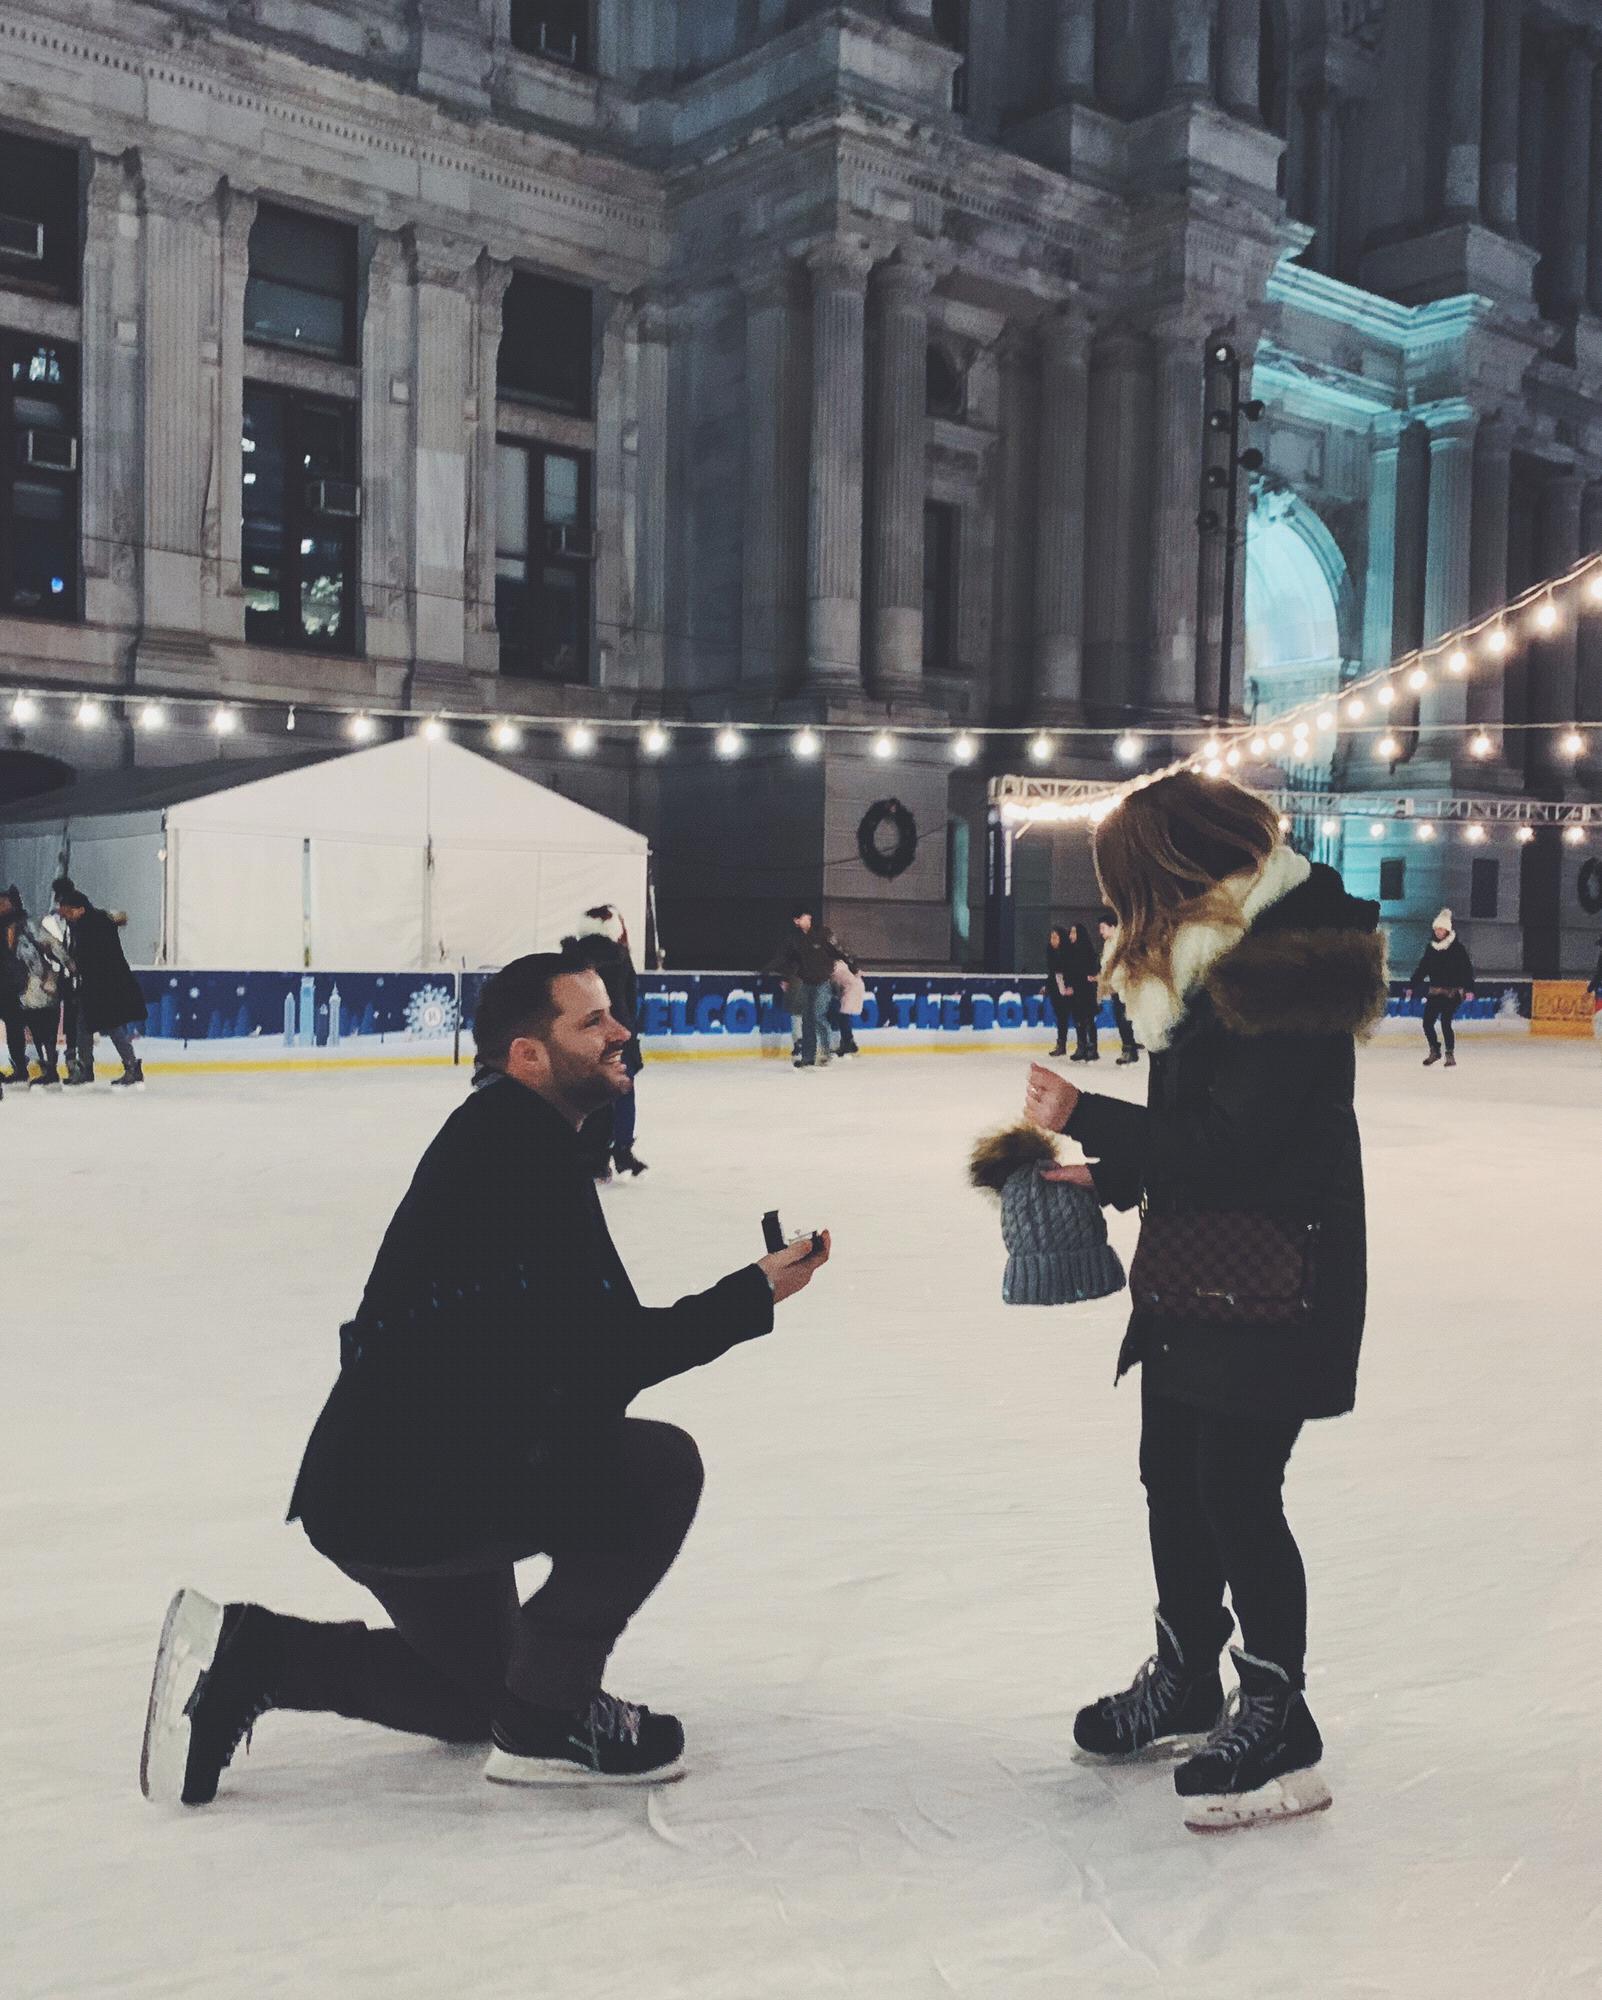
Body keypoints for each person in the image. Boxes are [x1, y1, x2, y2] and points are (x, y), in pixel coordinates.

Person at [140, 946, 832, 1808]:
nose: (622, 1031)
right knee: (660, 1468)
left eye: (613, 1012)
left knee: (480, 1698)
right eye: (593, 1021)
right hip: (413, 1486)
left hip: (387, 1479)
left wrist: (749, 1292)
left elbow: (572, 1357)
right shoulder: (520, 1151)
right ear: (527, 1055)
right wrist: (750, 1296)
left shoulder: (508, 1135)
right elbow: (609, 1361)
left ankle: (257, 1653)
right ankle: (551, 1721)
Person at [1022, 770, 1386, 1832]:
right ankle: (1187, 1676)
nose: (1124, 913)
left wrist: (1091, 1113)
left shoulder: (1288, 964)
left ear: (1177, 869)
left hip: (1282, 1269)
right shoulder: (1212, 961)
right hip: (1203, 1260)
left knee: (1234, 1479)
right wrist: (1118, 1171)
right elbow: (1210, 1136)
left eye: (1130, 887)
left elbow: (1242, 1145)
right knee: (1171, 1470)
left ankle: (1276, 1703)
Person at [567, 905, 646, 1179]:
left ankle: (592, 1156)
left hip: (584, 1034)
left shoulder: (570, 957)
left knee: (590, 1093)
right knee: (623, 1092)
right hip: (618, 1033)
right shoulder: (620, 956)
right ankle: (622, 1149)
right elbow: (631, 997)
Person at [53, 882, 148, 1088]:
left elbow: (97, 956)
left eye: (69, 911)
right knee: (83, 1026)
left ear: (80, 909)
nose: (66, 916)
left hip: (106, 985)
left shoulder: (93, 925)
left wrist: (76, 965)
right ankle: (87, 1068)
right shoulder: (89, 922)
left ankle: (131, 1066)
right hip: (95, 984)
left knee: (112, 1026)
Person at [0, 889, 72, 1086]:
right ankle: (20, 1068)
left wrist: (48, 977)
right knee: (15, 1030)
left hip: (31, 987)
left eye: (4, 903)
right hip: (9, 988)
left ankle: (48, 1069)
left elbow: (46, 951)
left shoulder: (28, 926)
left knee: (40, 1028)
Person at [766, 905, 844, 1069]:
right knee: (807, 1019)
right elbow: (789, 960)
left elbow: (836, 952)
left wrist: (850, 968)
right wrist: (776, 973)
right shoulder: (796, 940)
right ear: (796, 921)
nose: (808, 920)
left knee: (817, 1016)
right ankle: (808, 1056)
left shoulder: (822, 934)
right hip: (807, 982)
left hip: (823, 981)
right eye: (804, 917)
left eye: (809, 917)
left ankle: (825, 1051)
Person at [1409, 909, 1474, 1069]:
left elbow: (1467, 969)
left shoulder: (1457, 949)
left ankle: (1449, 1054)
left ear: (1447, 930)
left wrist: (1469, 988)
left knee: (1445, 1021)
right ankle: (1435, 1050)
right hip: (1436, 992)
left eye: (1441, 929)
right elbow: (1422, 968)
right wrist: (1412, 985)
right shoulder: (1431, 948)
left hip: (1453, 993)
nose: (1438, 932)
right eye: (1436, 929)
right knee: (1427, 1023)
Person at [1097, 910, 1141, 1065]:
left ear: (1112, 927)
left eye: (1103, 928)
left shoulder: (1121, 942)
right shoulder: (1108, 944)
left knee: (1125, 1019)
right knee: (1120, 1018)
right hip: (1115, 988)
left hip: (1124, 988)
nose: (1100, 932)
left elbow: (1125, 966)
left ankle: (1130, 1049)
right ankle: (1128, 1048)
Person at [1063, 921, 1101, 1062]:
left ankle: (1092, 1048)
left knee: (1088, 1020)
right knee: (1078, 1020)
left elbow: (1091, 972)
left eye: (1074, 932)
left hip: (1086, 991)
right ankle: (1081, 1047)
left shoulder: (1088, 951)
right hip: (1075, 992)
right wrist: (1068, 985)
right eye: (1070, 932)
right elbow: (1068, 971)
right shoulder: (1069, 952)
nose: (1071, 935)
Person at [1044, 926, 1073, 1057]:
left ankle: (1086, 1045)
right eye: (1051, 937)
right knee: (1061, 1016)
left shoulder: (1068, 952)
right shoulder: (1050, 952)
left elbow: (1072, 971)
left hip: (1069, 988)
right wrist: (1048, 986)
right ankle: (1061, 1044)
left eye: (1055, 937)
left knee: (1076, 1018)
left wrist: (1071, 987)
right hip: (1056, 987)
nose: (1052, 940)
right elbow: (1052, 972)